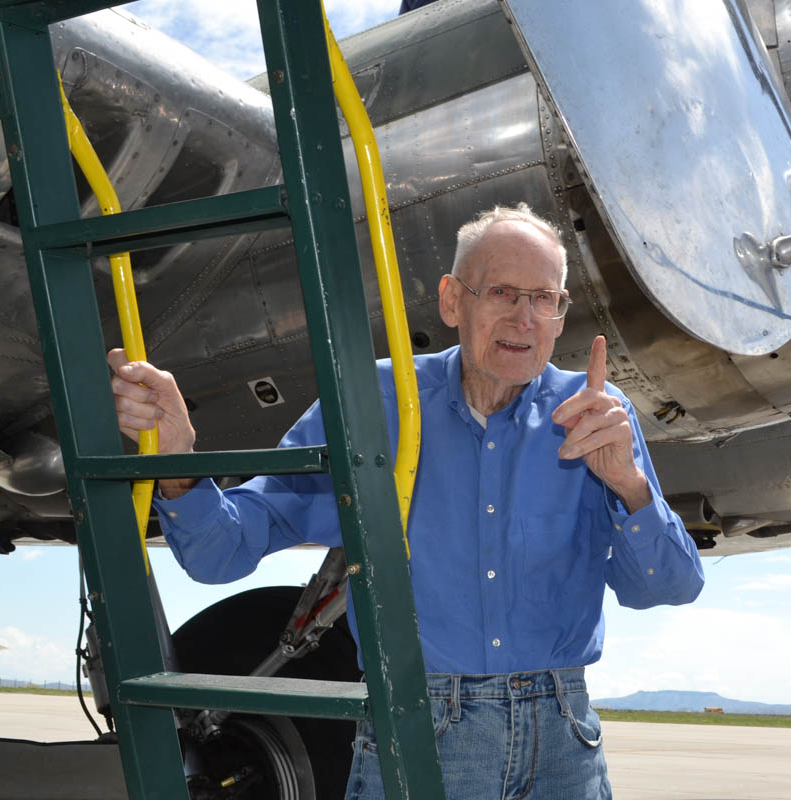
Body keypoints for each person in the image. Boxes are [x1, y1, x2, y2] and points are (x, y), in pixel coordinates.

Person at [109, 204, 705, 799]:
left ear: (560, 312)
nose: (525, 319)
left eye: (544, 298)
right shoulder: (371, 406)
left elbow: (669, 587)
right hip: (420, 728)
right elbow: (221, 552)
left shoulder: (597, 414)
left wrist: (629, 486)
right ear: (452, 301)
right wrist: (179, 461)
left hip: (563, 739)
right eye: (502, 292)